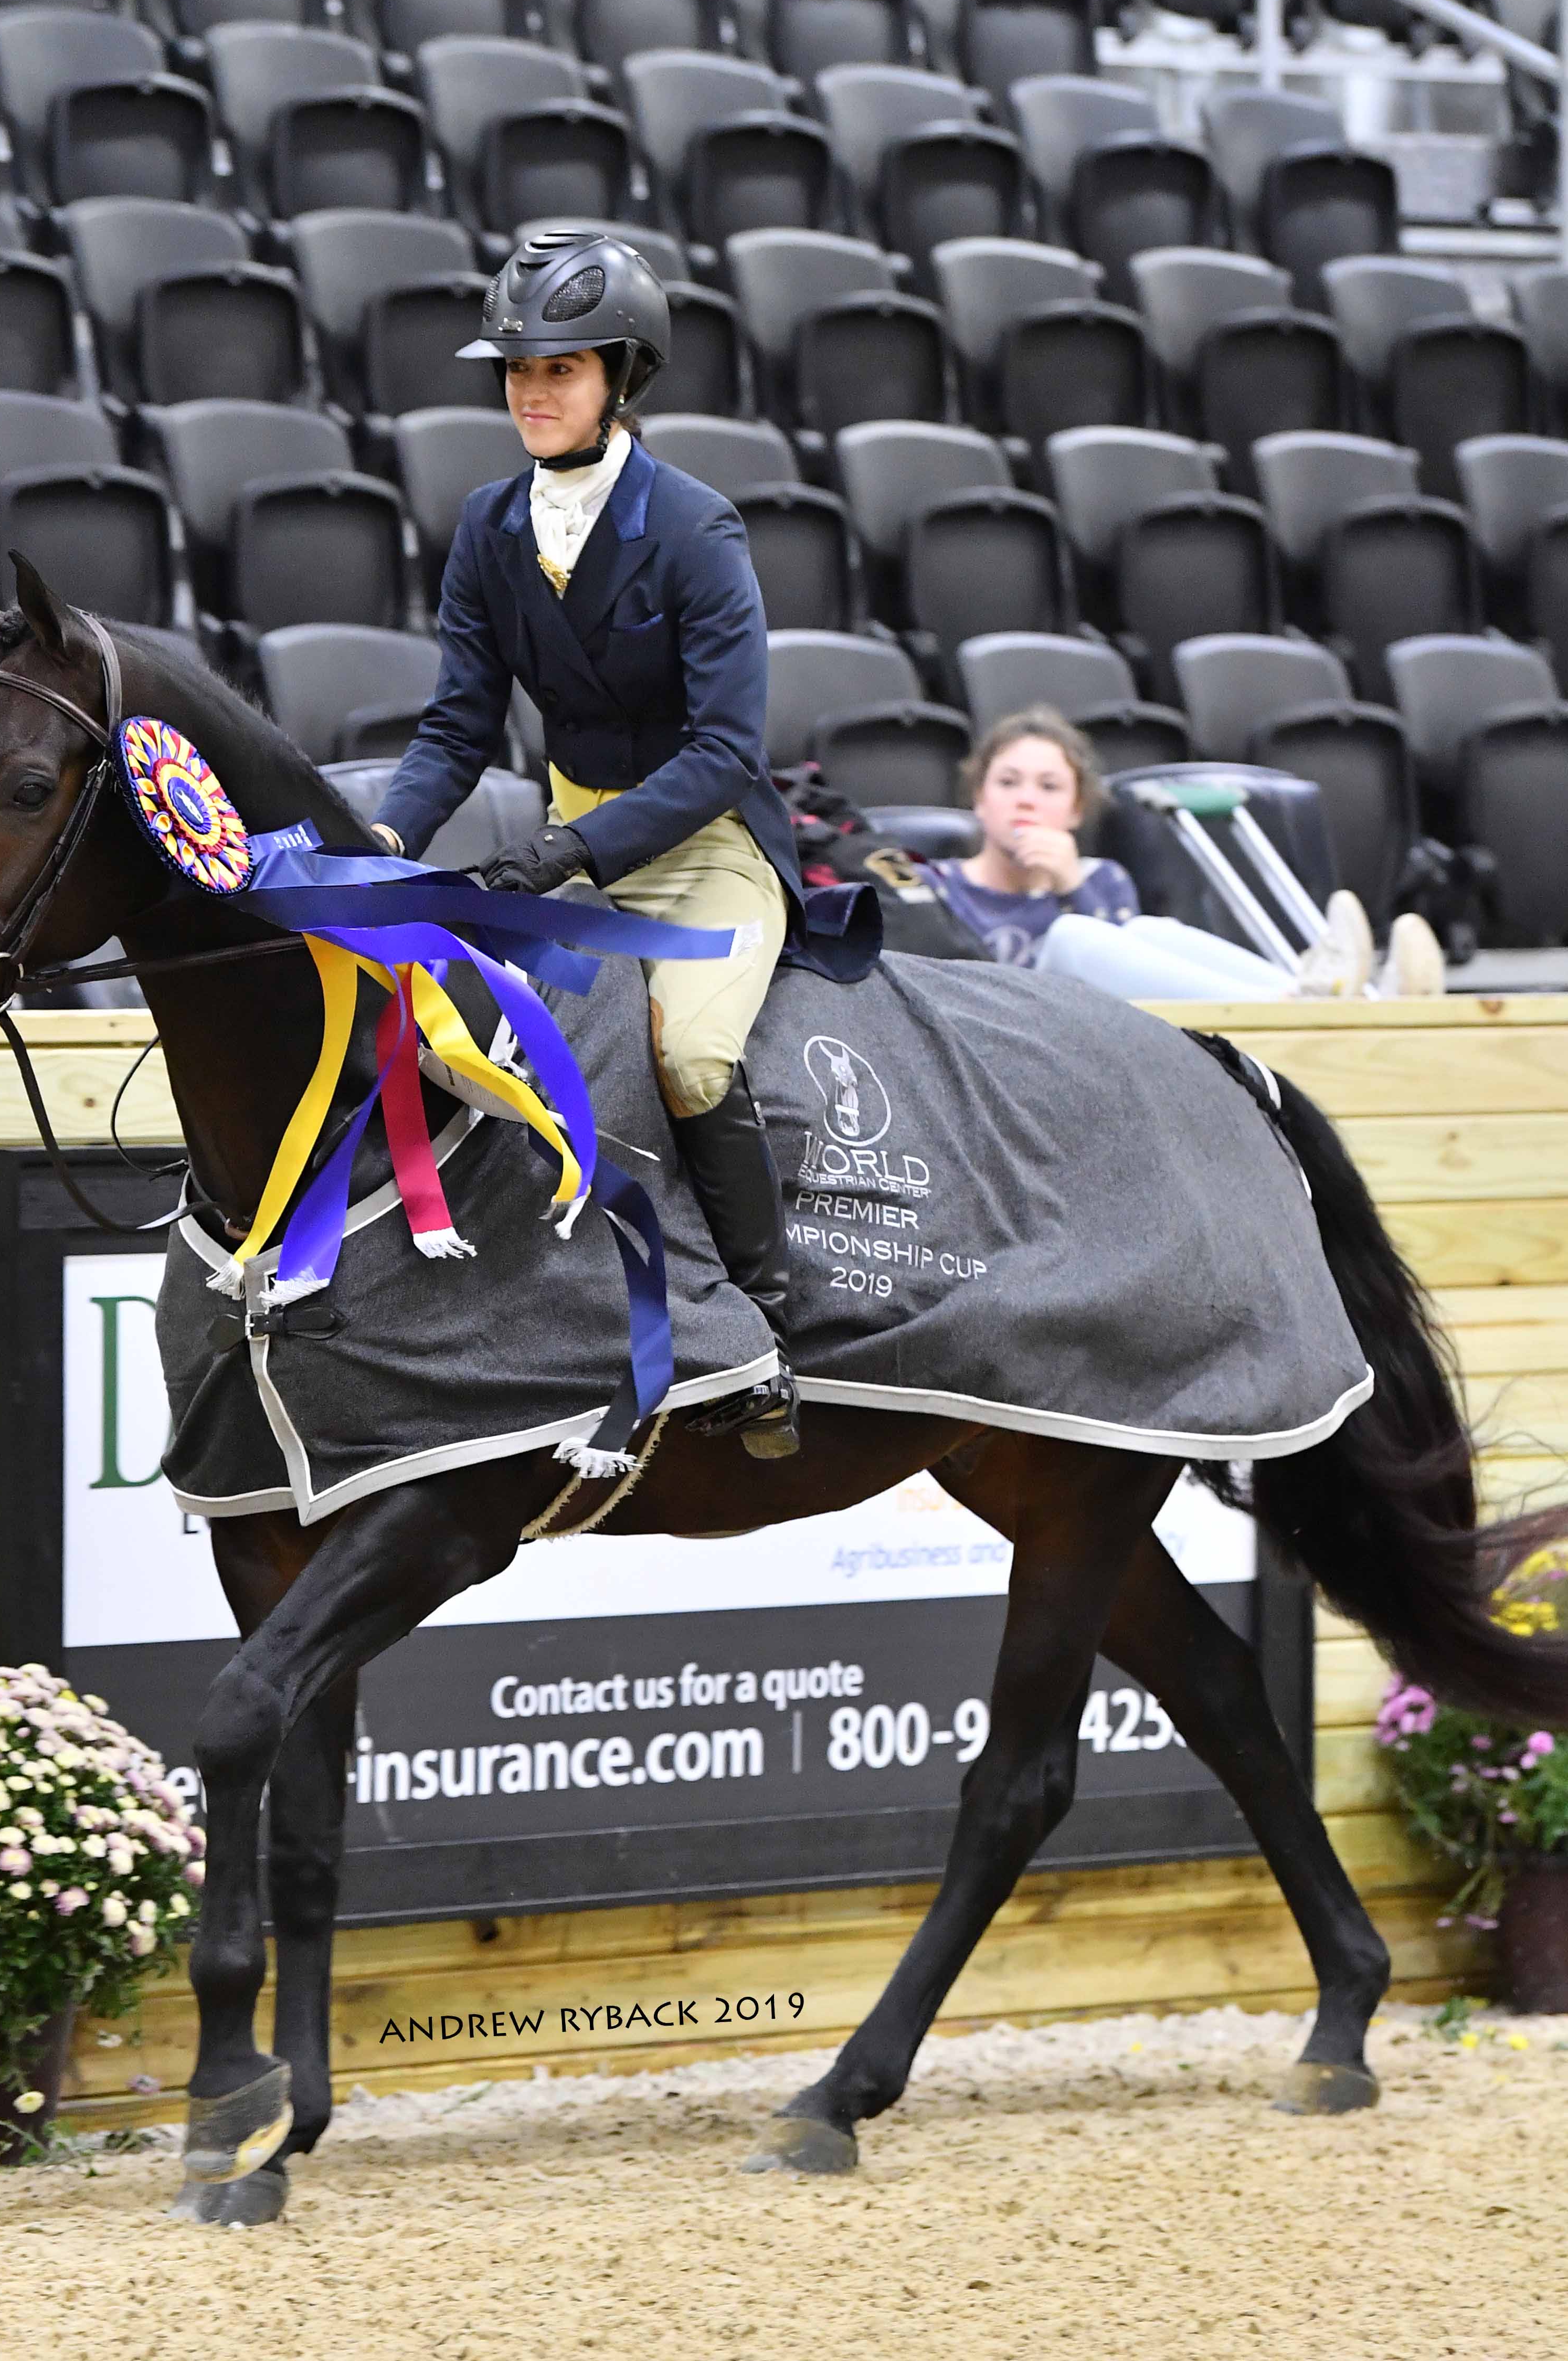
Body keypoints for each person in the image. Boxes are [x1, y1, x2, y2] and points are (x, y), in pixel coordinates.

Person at [367, 231, 876, 1458]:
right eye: (517, 371)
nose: (533, 392)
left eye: (563, 368)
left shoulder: (697, 528)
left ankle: (768, 1329)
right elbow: (456, 725)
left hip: (700, 842)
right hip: (574, 836)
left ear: (621, 378)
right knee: (493, 1054)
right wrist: (381, 837)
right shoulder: (490, 528)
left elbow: (722, 752)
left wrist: (572, 851)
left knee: (692, 1060)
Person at [930, 708, 1447, 1001]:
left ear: (1075, 810)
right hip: (1005, 1037)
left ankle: (1355, 1003)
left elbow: (1125, 984)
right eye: (1007, 782)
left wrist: (1072, 885)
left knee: (1149, 933)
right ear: (979, 798)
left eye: (1048, 786)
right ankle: (1289, 1008)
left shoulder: (1099, 879)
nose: (1026, 799)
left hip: (1099, 1037)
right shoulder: (933, 885)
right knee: (1073, 934)